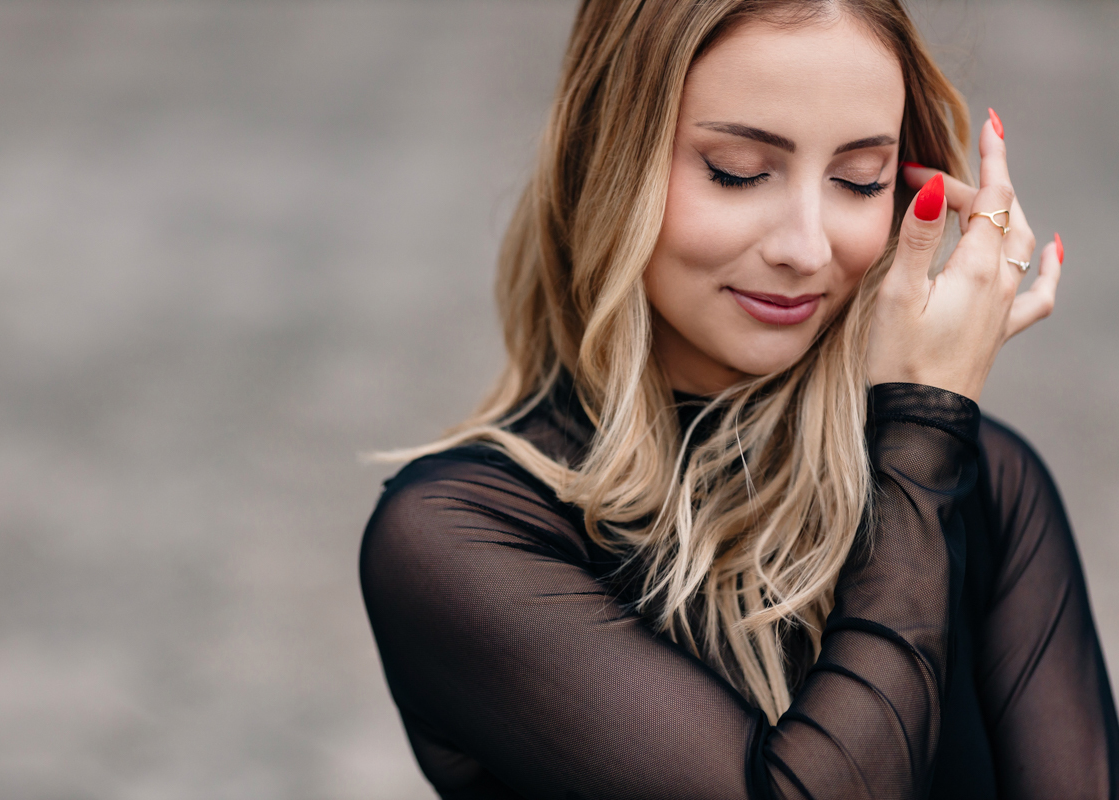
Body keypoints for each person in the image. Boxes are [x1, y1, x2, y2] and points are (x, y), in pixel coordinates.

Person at [360, 1, 1118, 797]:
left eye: (859, 180)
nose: (806, 248)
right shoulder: (457, 539)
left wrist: (923, 438)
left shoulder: (981, 482)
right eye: (738, 171)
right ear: (607, 157)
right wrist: (922, 434)